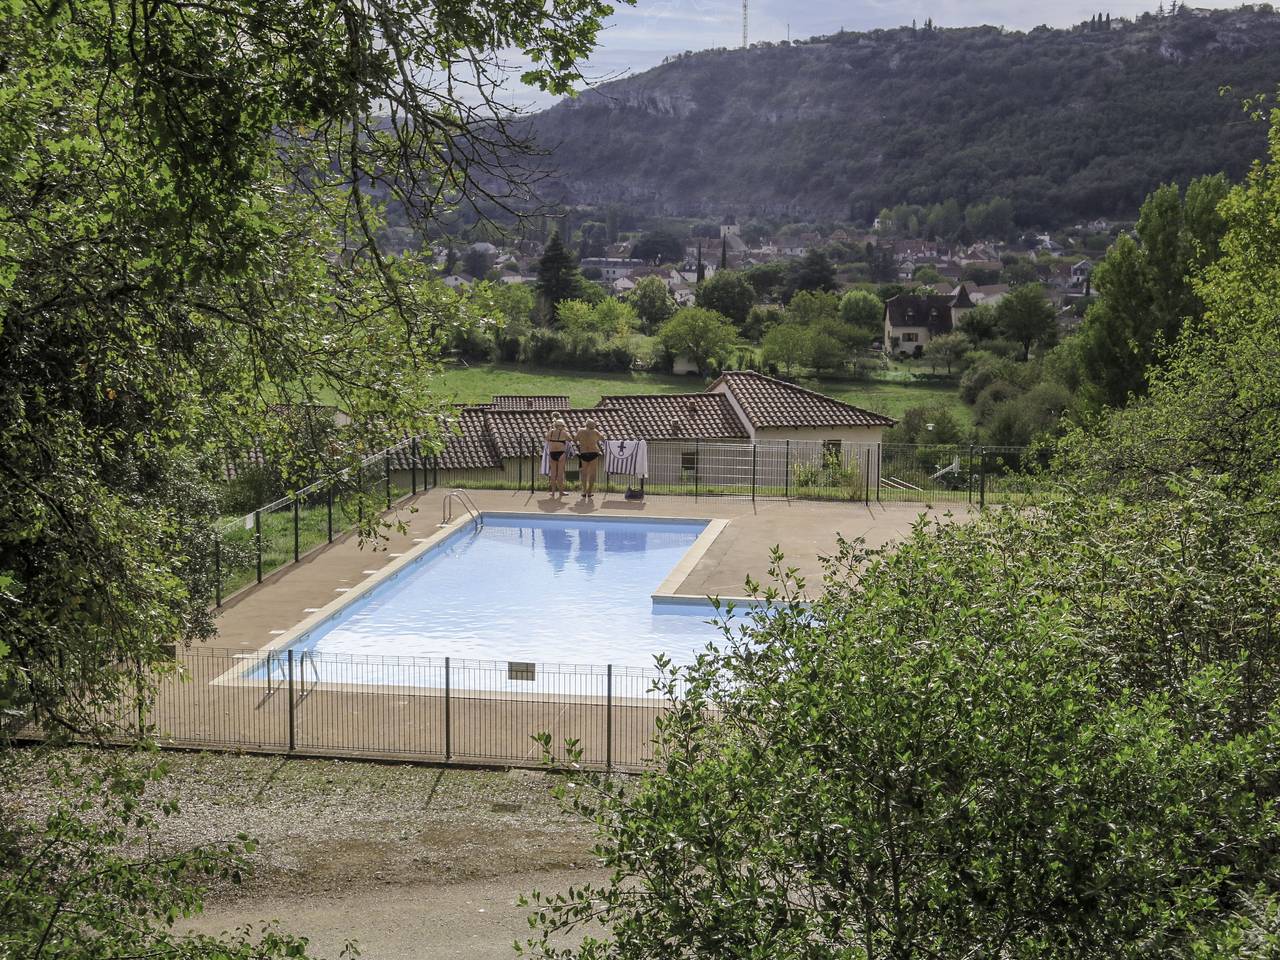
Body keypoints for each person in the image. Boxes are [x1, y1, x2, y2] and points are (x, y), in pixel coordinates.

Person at [575, 418, 604, 500]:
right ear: (593, 425)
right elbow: (603, 439)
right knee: (593, 473)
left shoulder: (580, 431)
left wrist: (582, 441)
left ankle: (584, 491)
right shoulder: (595, 432)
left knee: (584, 473)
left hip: (584, 453)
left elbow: (575, 439)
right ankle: (589, 492)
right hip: (594, 453)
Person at [545, 416, 571, 496]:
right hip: (561, 453)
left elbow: (546, 439)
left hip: (552, 453)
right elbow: (570, 439)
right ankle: (561, 492)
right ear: (561, 426)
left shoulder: (551, 432)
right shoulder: (563, 432)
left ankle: (553, 492)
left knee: (553, 474)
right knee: (560, 474)